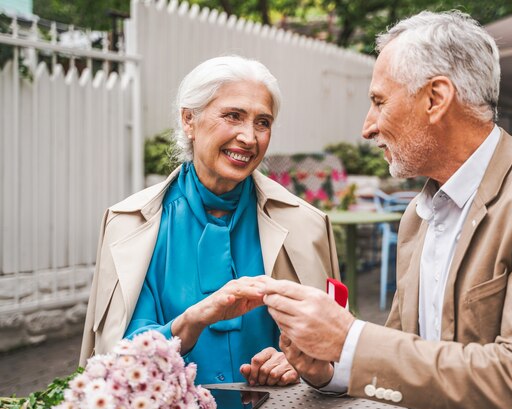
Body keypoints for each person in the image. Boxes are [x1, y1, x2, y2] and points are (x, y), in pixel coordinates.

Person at [261, 10, 512, 409]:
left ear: (436, 98)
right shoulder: (419, 216)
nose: (367, 127)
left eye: (379, 102)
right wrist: (331, 368)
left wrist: (351, 340)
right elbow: (409, 359)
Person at [79, 56, 341, 388]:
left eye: (262, 122)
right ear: (189, 120)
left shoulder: (307, 225)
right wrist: (191, 321)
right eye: (233, 116)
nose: (249, 137)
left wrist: (299, 361)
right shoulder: (129, 225)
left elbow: (335, 345)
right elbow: (123, 354)